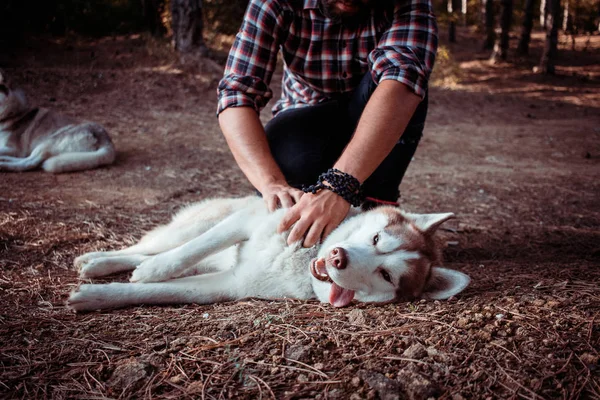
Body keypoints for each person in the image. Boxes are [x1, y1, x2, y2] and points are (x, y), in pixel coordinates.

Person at [217, 0, 438, 248]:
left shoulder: (411, 4)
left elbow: (402, 78)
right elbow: (236, 95)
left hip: (377, 118)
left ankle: (377, 199)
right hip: (308, 117)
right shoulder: (274, 3)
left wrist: (339, 185)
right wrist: (271, 183)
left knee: (406, 81)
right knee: (287, 177)